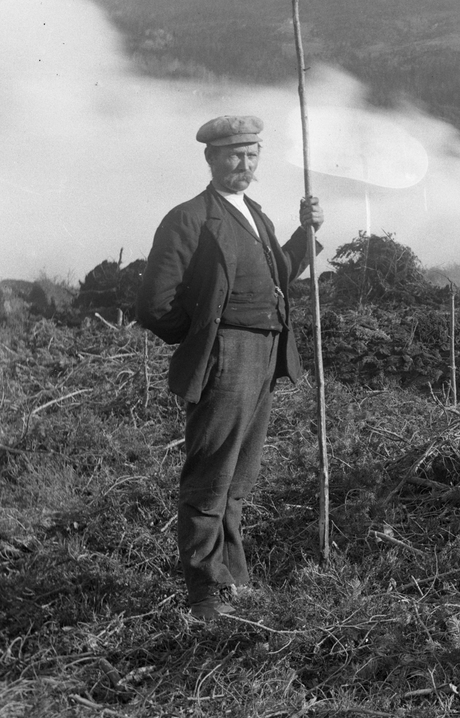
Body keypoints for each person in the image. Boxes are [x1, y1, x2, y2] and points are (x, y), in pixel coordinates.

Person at [137, 115, 324, 620]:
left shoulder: (255, 213)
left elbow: (279, 273)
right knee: (211, 475)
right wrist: (204, 339)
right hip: (228, 354)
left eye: (253, 154)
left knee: (239, 476)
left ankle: (233, 582)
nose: (245, 164)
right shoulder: (190, 217)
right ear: (211, 159)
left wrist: (306, 235)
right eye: (234, 155)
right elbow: (154, 303)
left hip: (267, 353)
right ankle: (204, 595)